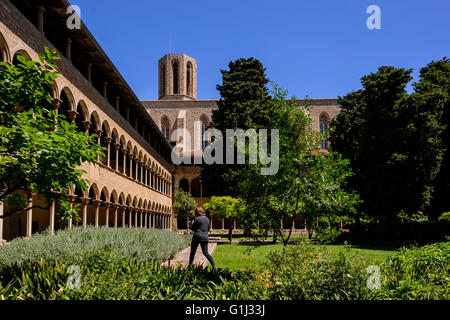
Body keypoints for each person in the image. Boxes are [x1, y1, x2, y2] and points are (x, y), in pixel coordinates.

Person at [188, 206, 218, 270]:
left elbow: (193, 228)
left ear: (197, 212)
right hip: (205, 237)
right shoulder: (207, 219)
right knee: (205, 252)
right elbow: (208, 228)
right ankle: (214, 265)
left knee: (193, 252)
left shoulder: (197, 219)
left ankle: (190, 266)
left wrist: (190, 225)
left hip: (197, 236)